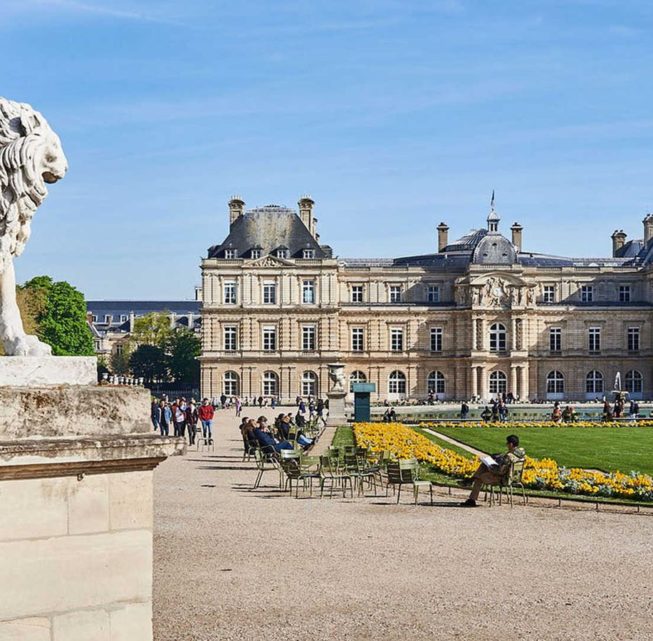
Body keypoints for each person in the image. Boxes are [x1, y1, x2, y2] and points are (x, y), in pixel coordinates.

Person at [461, 435, 526, 507]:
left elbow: (500, 472)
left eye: (507, 443)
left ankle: (471, 498)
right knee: (483, 466)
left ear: (511, 444)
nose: (506, 445)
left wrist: (490, 467)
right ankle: (471, 481)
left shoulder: (509, 457)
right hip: (514, 477)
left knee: (479, 478)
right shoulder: (521, 453)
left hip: (503, 479)